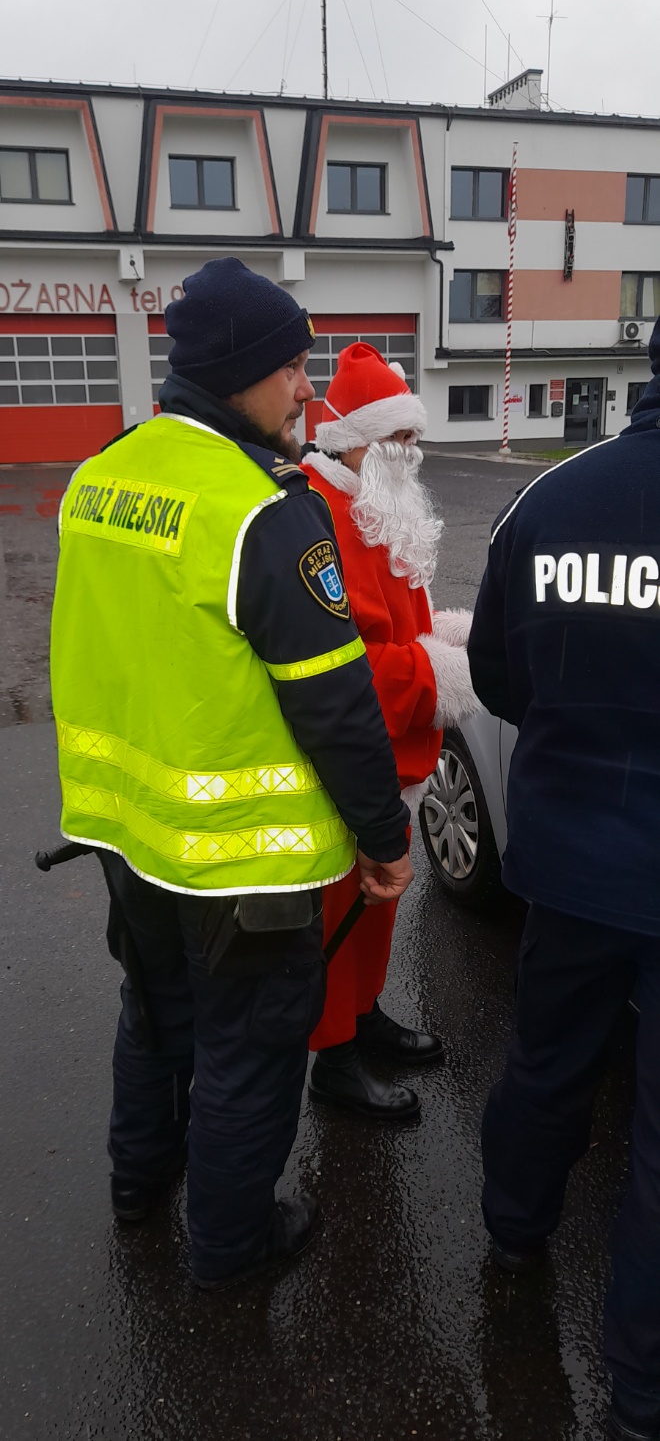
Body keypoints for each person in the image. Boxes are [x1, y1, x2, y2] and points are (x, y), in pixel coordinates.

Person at [49, 259, 414, 1292]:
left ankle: (138, 1181)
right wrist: (384, 841)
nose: (307, 389)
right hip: (240, 863)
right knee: (248, 1055)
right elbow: (338, 706)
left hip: (126, 831)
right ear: (238, 374)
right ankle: (230, 1246)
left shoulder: (102, 474)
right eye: (291, 366)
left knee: (155, 1013)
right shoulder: (265, 511)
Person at [468, 318, 660, 1441]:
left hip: (571, 858)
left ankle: (513, 1233)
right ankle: (639, 1396)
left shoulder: (551, 500)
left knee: (546, 1064)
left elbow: (498, 674)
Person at [302, 342, 478, 1118]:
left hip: (390, 760)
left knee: (375, 911)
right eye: (398, 437)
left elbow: (401, 620)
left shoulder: (373, 502)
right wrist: (447, 674)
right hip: (346, 763)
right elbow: (352, 667)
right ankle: (333, 1059)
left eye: (414, 436)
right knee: (340, 915)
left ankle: (362, 1014)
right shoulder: (322, 514)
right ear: (357, 439)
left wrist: (452, 636)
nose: (412, 452)